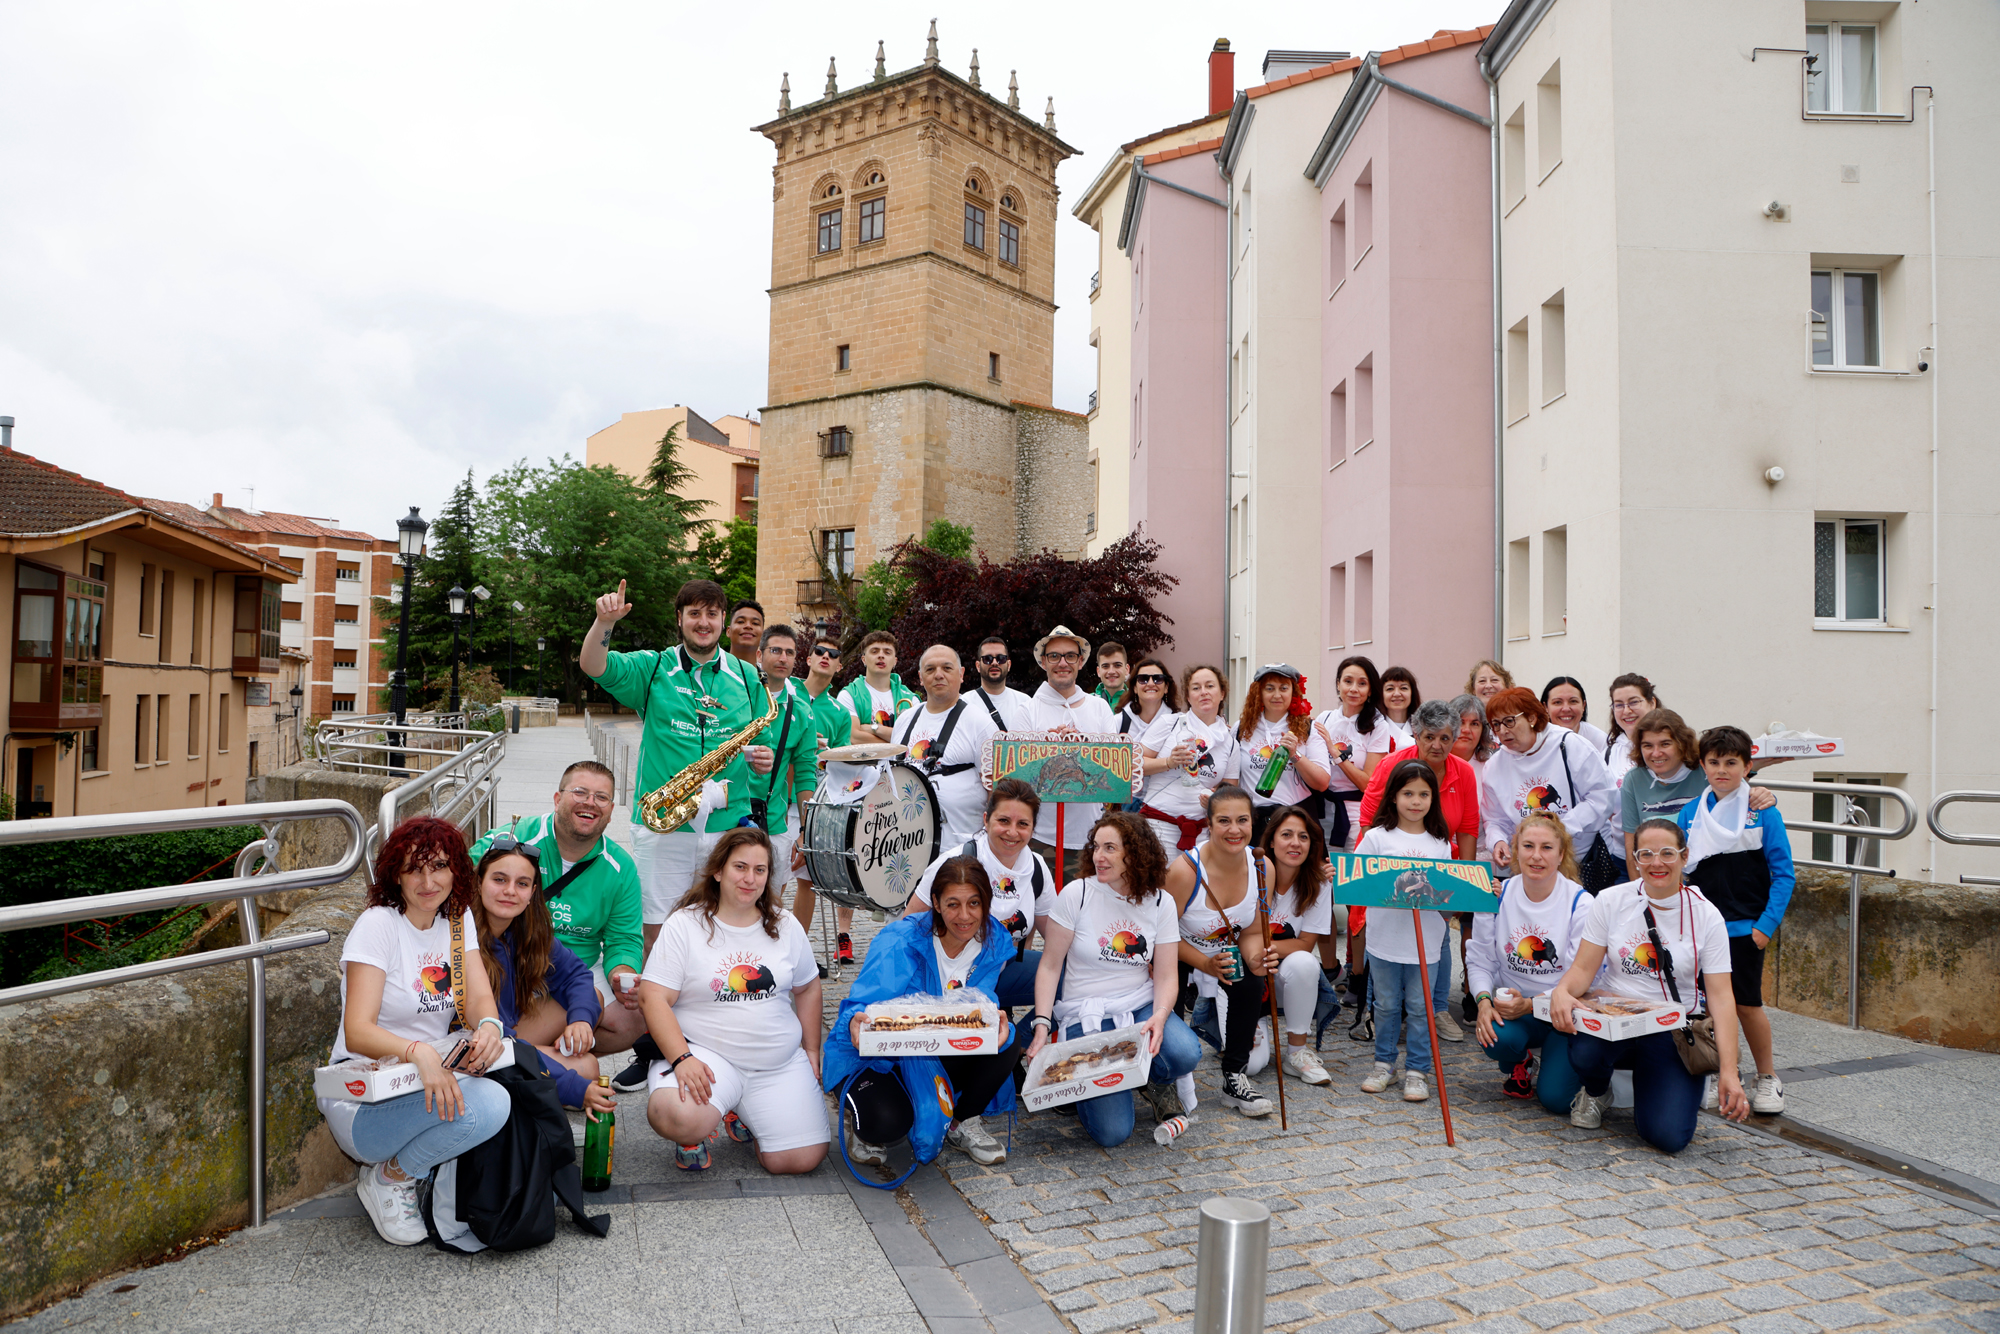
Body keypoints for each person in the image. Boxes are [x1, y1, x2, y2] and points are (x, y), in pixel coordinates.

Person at [320, 817, 509, 1246]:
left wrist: (491, 1027)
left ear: (456, 870)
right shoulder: (378, 925)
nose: (428, 881)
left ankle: (402, 1173)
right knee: (488, 1105)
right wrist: (418, 1051)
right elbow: (357, 1031)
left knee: (496, 1099)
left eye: (439, 866)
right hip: (364, 1096)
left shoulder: (457, 920)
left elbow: (480, 999)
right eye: (414, 868)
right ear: (396, 875)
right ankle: (389, 1179)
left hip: (424, 1078)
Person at [580, 578, 774, 961]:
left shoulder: (749, 677)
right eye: (694, 613)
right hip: (663, 822)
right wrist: (605, 623)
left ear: (724, 623)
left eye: (713, 614)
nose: (704, 622)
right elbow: (592, 664)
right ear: (680, 619)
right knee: (657, 931)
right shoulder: (653, 667)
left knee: (724, 926)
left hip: (726, 827)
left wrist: (759, 760)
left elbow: (750, 747)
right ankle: (657, 1016)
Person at [1549, 819, 1752, 1152]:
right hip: (1615, 1022)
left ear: (1685, 857)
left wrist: (1728, 1071)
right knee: (1585, 1050)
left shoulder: (1707, 915)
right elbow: (1583, 969)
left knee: (1668, 1137)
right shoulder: (1611, 900)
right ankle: (1598, 1091)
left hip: (1672, 1031)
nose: (1657, 863)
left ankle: (1660, 1085)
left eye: (1667, 853)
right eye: (1646, 854)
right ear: (1635, 858)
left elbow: (1721, 997)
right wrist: (1562, 991)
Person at [636, 828, 828, 1175]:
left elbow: (809, 987)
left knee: (799, 1160)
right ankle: (697, 1128)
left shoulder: (785, 924)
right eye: (740, 867)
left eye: (760, 870)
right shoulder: (685, 924)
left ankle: (746, 1111)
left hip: (776, 1062)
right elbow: (652, 997)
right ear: (718, 870)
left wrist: (812, 1050)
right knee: (675, 1116)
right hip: (707, 1055)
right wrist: (682, 1059)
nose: (749, 879)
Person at [829, 857, 1028, 1168]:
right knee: (885, 1122)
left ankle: (960, 1122)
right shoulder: (901, 940)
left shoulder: (994, 941)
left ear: (986, 903)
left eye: (974, 903)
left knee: (1006, 1038)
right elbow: (862, 1003)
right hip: (884, 1059)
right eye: (953, 904)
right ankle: (864, 1127)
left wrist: (993, 1018)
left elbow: (982, 1003)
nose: (965, 916)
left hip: (940, 1049)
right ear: (935, 903)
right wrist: (854, 1023)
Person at [1026, 811, 1203, 1148]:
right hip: (1086, 1014)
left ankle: (1146, 1077)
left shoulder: (1161, 901)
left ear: (1134, 853)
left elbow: (1166, 974)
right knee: (1113, 1133)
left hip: (1137, 1006)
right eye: (1095, 847)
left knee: (1184, 1053)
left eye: (1110, 848)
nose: (1098, 856)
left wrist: (1160, 1018)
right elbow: (1049, 966)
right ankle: (1085, 1089)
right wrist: (1041, 1026)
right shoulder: (1077, 893)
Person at [467, 760, 646, 1064]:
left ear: (612, 809)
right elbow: (463, 873)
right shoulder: (517, 837)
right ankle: (540, 1060)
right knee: (585, 1059)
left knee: (638, 1015)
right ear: (557, 798)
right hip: (515, 962)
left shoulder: (621, 867)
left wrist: (621, 974)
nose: (590, 803)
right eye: (580, 792)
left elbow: (624, 940)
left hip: (572, 967)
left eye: (601, 797)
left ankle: (534, 1057)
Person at [1677, 726, 1795, 1117]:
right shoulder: (1690, 813)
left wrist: (1765, 927)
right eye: (1714, 762)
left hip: (1746, 929)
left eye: (1731, 762)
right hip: (1702, 929)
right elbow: (1681, 874)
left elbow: (1783, 873)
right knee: (1706, 1008)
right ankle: (1719, 1073)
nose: (1722, 770)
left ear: (1747, 766)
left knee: (1746, 1005)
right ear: (1703, 765)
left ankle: (1768, 1077)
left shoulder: (1763, 811)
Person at [1356, 700, 1482, 1034]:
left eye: (1445, 738)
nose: (1437, 745)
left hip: (1437, 860)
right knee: (1384, 932)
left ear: (1454, 738)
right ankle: (1378, 1010)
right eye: (1429, 737)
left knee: (1437, 932)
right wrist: (1379, 872)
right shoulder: (1391, 766)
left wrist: (1463, 882)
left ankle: (1437, 1009)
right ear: (1416, 735)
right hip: (1388, 862)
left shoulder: (1463, 772)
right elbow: (1369, 820)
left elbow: (1468, 828)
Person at [470, 840, 617, 1117]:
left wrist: (581, 1021)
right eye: (499, 880)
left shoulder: (526, 930)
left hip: (507, 1035)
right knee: (584, 1070)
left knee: (589, 1002)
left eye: (522, 884)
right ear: (478, 883)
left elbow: (576, 975)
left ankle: (538, 1078)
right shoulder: (462, 938)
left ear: (533, 892)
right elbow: (497, 1040)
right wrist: (573, 1087)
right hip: (477, 1049)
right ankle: (528, 1090)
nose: (510, 891)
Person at [1164, 786, 1277, 1118]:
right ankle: (1164, 1077)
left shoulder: (1262, 867)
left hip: (1223, 950)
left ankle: (1234, 1076)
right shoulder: (1184, 872)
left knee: (1254, 975)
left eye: (1242, 820)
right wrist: (1203, 963)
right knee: (1168, 992)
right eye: (1224, 821)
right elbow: (1162, 936)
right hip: (1177, 949)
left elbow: (1253, 931)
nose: (1234, 830)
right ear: (1209, 825)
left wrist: (1258, 956)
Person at [1467, 813, 1591, 1112]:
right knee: (1496, 1037)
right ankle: (1520, 1060)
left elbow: (1585, 978)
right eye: (1528, 846)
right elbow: (1480, 959)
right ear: (1515, 850)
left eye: (1547, 848)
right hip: (1517, 1013)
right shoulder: (1496, 895)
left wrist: (1531, 1004)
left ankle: (1566, 1061)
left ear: (1561, 854)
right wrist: (1483, 1002)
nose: (1536, 856)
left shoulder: (1582, 904)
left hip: (1565, 1014)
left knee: (1556, 1101)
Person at [1355, 761, 1455, 1103]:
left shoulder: (1441, 842)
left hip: (1425, 942)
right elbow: (1357, 882)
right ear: (1393, 796)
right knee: (1384, 1004)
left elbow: (1448, 894)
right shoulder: (1376, 838)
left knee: (1420, 1005)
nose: (1416, 801)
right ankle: (1384, 1064)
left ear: (1433, 799)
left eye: (1424, 794)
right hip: (1384, 940)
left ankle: (1417, 1070)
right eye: (1408, 793)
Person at [906, 779, 1053, 1009]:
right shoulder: (953, 863)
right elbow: (909, 927)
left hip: (1000, 970)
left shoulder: (1037, 868)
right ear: (986, 820)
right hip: (946, 976)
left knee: (1070, 975)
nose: (1012, 832)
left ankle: (1027, 1041)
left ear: (1033, 828)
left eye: (1022, 823)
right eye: (1003, 820)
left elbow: (1055, 941)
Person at [1480, 686, 1619, 892]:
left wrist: (1559, 830)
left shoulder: (1569, 745)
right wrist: (1497, 840)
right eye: (1496, 724)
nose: (1502, 730)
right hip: (1530, 867)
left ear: (1532, 718)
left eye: (1509, 721)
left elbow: (1603, 797)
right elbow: (1494, 818)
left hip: (1579, 861)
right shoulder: (1495, 766)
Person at [1622, 709, 1778, 879]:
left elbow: (1738, 796)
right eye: (1648, 745)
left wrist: (1762, 795)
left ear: (1681, 743)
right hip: (1659, 875)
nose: (1656, 753)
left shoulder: (1705, 770)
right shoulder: (1634, 779)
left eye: (1665, 744)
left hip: (1706, 878)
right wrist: (1640, 896)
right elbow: (1632, 850)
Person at [1245, 805, 1335, 1085]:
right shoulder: (1249, 875)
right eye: (1286, 835)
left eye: (1303, 836)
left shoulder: (1319, 883)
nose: (1295, 843)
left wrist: (1264, 947)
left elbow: (1306, 944)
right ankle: (1248, 1027)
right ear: (1271, 840)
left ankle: (1297, 1052)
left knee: (1305, 963)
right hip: (1249, 978)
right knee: (1250, 1066)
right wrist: (1256, 951)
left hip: (1286, 980)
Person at [1025, 625, 1118, 881]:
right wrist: (1046, 747)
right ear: (1043, 662)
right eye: (1054, 656)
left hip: (1089, 838)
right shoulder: (1028, 710)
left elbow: (1113, 772)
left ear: (1080, 661)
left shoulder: (1099, 708)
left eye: (1069, 656)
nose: (1062, 662)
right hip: (1039, 837)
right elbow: (1018, 778)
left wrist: (1083, 745)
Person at [747, 625, 822, 935]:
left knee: (768, 906)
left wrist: (805, 829)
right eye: (775, 650)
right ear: (759, 655)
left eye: (790, 652)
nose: (783, 658)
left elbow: (805, 776)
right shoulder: (738, 696)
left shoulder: (802, 712)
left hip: (773, 822)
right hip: (723, 816)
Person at [894, 645, 999, 845]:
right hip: (906, 847)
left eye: (947, 668)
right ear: (920, 677)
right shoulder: (904, 720)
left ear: (961, 675)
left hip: (960, 849)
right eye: (930, 669)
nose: (938, 675)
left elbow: (996, 791)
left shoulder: (980, 723)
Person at [791, 634, 858, 941]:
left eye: (833, 654)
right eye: (819, 651)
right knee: (771, 878)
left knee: (807, 881)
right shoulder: (786, 692)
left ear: (839, 666)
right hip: (778, 797)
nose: (825, 656)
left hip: (814, 803)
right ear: (808, 658)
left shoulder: (840, 712)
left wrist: (826, 753)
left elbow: (841, 766)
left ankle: (798, 950)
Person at [1136, 665, 1240, 856]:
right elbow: (1133, 765)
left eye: (1210, 686)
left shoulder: (1231, 742)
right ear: (1188, 696)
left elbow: (1230, 789)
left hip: (1202, 834)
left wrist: (1214, 798)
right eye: (1196, 688)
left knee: (1196, 885)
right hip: (1158, 827)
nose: (1204, 693)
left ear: (1222, 693)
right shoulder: (1170, 723)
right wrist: (1168, 762)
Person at [1236, 664, 1331, 844]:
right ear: (1259, 693)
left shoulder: (1309, 729)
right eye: (1269, 688)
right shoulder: (1240, 729)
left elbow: (1322, 783)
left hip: (1296, 823)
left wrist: (1295, 755)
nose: (1277, 695)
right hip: (1253, 823)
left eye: (1283, 688)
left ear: (1293, 692)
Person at [1312, 655, 1394, 852]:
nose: (1354, 689)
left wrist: (1335, 753)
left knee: (1350, 873)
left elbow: (1367, 783)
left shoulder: (1378, 726)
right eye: (1348, 681)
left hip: (1357, 814)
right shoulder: (1325, 718)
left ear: (1371, 690)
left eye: (1362, 683)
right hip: (1323, 809)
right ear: (1338, 684)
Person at [842, 630, 917, 743]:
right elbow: (854, 737)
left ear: (895, 661)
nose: (881, 655)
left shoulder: (910, 699)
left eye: (887, 652)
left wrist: (874, 728)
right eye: (874, 651)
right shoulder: (849, 695)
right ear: (864, 659)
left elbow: (914, 737)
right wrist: (897, 743)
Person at [965, 635, 1035, 732]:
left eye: (1001, 658)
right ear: (978, 666)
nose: (994, 662)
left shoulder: (1025, 702)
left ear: (1009, 665)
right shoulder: (965, 703)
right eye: (987, 658)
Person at [1603, 672, 1660, 777]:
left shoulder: (1671, 747)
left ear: (1652, 703)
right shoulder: (1608, 755)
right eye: (1619, 705)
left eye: (1634, 702)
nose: (1626, 711)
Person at [1113, 656, 1178, 738]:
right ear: (1135, 688)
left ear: (1166, 688)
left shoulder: (1176, 723)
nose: (1150, 684)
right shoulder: (1118, 722)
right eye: (1143, 679)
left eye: (1157, 679)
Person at [1541, 676, 1608, 751]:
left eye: (1573, 701)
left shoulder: (1600, 741)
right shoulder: (1536, 741)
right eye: (1558, 702)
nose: (1566, 709)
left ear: (1583, 705)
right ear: (1545, 707)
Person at [1465, 659, 1513, 755]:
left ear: (1506, 686)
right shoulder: (1463, 720)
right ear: (1473, 689)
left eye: (1494, 680)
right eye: (1482, 681)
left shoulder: (1515, 718)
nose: (1488, 685)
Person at [1379, 666, 1421, 750]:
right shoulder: (1374, 727)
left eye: (1403, 688)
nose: (1397, 694)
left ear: (1412, 693)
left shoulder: (1422, 727)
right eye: (1390, 689)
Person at [726, 600, 765, 666]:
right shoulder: (709, 672)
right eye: (741, 621)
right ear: (728, 631)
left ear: (763, 635)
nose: (748, 626)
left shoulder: (768, 675)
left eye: (755, 623)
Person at [1093, 641, 1130, 707]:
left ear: (1127, 669)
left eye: (1117, 665)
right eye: (1105, 666)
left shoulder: (1139, 703)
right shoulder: (1085, 703)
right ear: (1098, 671)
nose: (1111, 671)